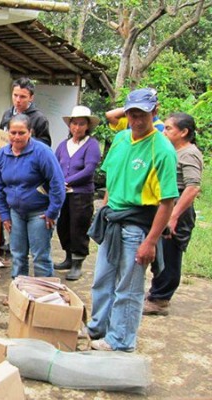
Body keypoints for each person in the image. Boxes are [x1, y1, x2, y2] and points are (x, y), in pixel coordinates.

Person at [86, 88, 178, 352]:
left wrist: (150, 242)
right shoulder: (121, 139)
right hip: (112, 221)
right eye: (133, 114)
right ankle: (98, 328)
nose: (138, 120)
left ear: (155, 112)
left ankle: (121, 340)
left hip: (137, 227)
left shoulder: (161, 149)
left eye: (143, 114)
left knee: (128, 288)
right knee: (102, 280)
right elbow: (111, 183)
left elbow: (167, 201)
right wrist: (102, 215)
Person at [144, 113, 203, 316]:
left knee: (170, 254)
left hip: (178, 209)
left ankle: (161, 300)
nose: (164, 131)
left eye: (169, 128)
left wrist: (174, 216)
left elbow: (192, 187)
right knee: (159, 252)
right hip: (166, 206)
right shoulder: (172, 151)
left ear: (184, 132)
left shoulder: (189, 154)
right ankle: (155, 292)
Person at [0, 114, 65, 278]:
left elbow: (57, 183)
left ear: (30, 132)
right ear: (7, 133)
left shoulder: (42, 152)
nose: (16, 137)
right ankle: (20, 295)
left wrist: (52, 212)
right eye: (13, 133)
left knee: (40, 257)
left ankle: (44, 298)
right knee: (18, 256)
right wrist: (4, 214)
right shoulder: (2, 155)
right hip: (15, 213)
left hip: (40, 213)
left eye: (21, 133)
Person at [53, 106, 102, 281]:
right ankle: (68, 257)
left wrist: (67, 181)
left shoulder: (92, 145)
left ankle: (77, 262)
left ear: (87, 126)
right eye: (74, 123)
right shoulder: (63, 145)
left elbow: (89, 170)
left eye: (81, 124)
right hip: (63, 194)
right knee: (63, 226)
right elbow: (54, 164)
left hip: (81, 194)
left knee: (78, 227)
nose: (77, 127)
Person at [0, 77, 51, 146]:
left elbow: (45, 145)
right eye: (15, 95)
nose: (18, 100)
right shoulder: (7, 114)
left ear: (31, 98)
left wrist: (26, 139)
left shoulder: (39, 119)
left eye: (22, 97)